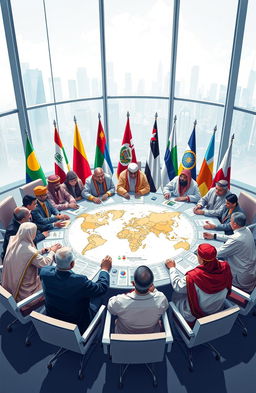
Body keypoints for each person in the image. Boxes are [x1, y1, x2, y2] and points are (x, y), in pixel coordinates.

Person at [40, 247, 112, 333]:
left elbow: (52, 272)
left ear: (55, 260)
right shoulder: (79, 282)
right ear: (72, 264)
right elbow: (102, 287)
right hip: (78, 324)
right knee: (98, 295)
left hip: (53, 317)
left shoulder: (44, 272)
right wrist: (104, 269)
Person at [165, 243, 232, 324]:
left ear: (202, 259)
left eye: (198, 255)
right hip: (217, 307)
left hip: (198, 314)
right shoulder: (225, 266)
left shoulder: (193, 277)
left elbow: (177, 286)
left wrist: (172, 268)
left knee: (175, 294)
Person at [2, 222, 61, 306]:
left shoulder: (13, 240)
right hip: (25, 293)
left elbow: (23, 254)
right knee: (53, 283)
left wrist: (41, 251)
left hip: (10, 284)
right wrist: (52, 251)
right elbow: (45, 264)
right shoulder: (30, 252)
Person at [204, 212, 256, 292]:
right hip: (249, 271)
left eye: (230, 221)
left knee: (212, 269)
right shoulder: (246, 230)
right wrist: (214, 236)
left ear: (235, 224)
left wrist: (201, 252)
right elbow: (231, 238)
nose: (229, 223)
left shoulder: (237, 239)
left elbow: (217, 253)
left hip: (240, 279)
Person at [108, 266, 168, 334]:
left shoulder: (120, 301)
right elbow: (165, 307)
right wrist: (154, 291)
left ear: (133, 283)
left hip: (125, 338)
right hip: (151, 337)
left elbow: (110, 308)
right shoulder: (161, 298)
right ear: (151, 285)